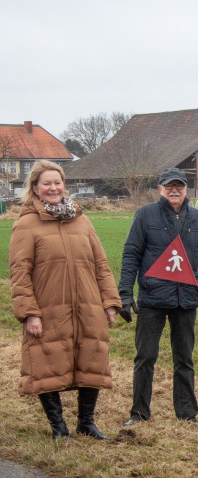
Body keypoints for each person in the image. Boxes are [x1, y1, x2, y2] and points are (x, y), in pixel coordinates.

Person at [9, 160, 121, 440]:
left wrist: (109, 301)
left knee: (91, 358)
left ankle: (86, 422)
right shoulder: (26, 224)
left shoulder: (82, 220)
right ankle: (59, 428)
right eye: (46, 183)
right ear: (34, 187)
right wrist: (30, 313)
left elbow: (101, 264)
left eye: (57, 182)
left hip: (88, 305)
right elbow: (20, 273)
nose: (53, 188)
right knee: (46, 362)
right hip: (48, 308)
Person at [118, 167, 198, 425]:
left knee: (184, 359)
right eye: (169, 186)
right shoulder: (145, 215)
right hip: (152, 299)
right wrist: (125, 293)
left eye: (179, 186)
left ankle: (187, 413)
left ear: (186, 189)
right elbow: (131, 254)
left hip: (185, 299)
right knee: (145, 357)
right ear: (160, 189)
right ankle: (139, 414)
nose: (174, 190)